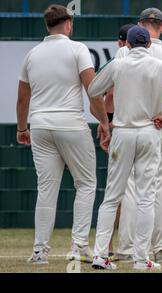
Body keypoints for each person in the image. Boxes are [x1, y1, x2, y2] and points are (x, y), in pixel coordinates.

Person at [89, 25, 162, 270]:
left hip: (122, 132)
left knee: (112, 196)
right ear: (147, 45)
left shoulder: (118, 63)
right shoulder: (161, 65)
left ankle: (100, 255)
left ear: (127, 44)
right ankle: (140, 259)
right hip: (149, 133)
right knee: (147, 197)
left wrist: (107, 115)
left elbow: (93, 89)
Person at [16, 4, 110, 265]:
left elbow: (23, 99)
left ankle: (40, 252)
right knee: (87, 183)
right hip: (71, 124)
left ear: (47, 25)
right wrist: (104, 121)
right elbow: (93, 89)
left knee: (46, 188)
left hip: (41, 126)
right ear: (68, 24)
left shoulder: (32, 55)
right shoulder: (77, 49)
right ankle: (79, 245)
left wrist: (22, 128)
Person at [110, 7, 162, 264]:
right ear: (161, 27)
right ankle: (161, 247)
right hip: (159, 125)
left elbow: (110, 88)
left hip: (131, 125)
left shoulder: (124, 51)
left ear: (139, 26)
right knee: (160, 187)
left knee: (131, 186)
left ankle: (127, 247)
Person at [107, 22, 134, 258]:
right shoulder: (149, 58)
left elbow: (109, 95)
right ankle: (134, 246)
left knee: (116, 190)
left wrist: (106, 124)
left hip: (121, 130)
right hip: (145, 131)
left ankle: (110, 246)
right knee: (138, 192)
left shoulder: (120, 56)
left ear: (121, 41)